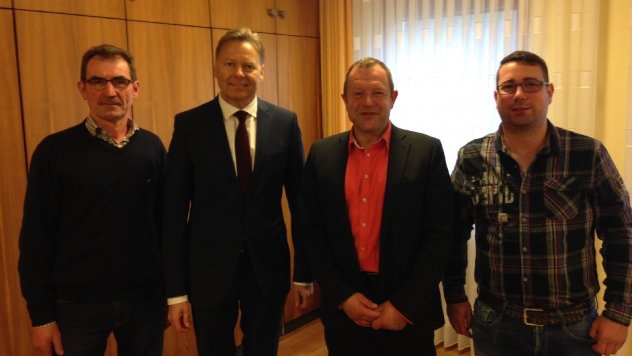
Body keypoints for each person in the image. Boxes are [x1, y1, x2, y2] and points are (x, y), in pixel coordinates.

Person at [443, 50, 632, 356]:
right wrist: (455, 295)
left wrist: (618, 313)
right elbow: (453, 233)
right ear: (496, 95)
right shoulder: (472, 158)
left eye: (531, 84)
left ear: (549, 92)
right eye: (509, 86)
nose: (519, 94)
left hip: (574, 329)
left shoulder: (587, 154)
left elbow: (622, 234)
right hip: (497, 324)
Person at [162, 27, 313, 356]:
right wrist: (176, 293)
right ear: (216, 68)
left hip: (268, 270)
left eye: (248, 65)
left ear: (262, 70)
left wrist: (304, 273)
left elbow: (301, 205)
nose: (238, 74)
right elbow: (173, 212)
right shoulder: (189, 126)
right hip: (207, 272)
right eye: (230, 64)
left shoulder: (285, 123)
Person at [18, 44, 167, 356]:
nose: (109, 91)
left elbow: (166, 227)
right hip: (76, 306)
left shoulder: (153, 148)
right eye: (98, 82)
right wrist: (41, 316)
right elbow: (35, 238)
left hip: (145, 300)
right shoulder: (54, 152)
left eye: (120, 81)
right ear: (82, 89)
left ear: (135, 89)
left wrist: (171, 293)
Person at [301, 57, 454, 355]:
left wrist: (404, 305)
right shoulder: (321, 154)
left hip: (407, 310)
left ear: (393, 98)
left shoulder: (427, 152)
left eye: (377, 93)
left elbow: (440, 235)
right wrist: (343, 296)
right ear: (345, 100)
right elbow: (311, 232)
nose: (367, 102)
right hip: (345, 310)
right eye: (357, 93)